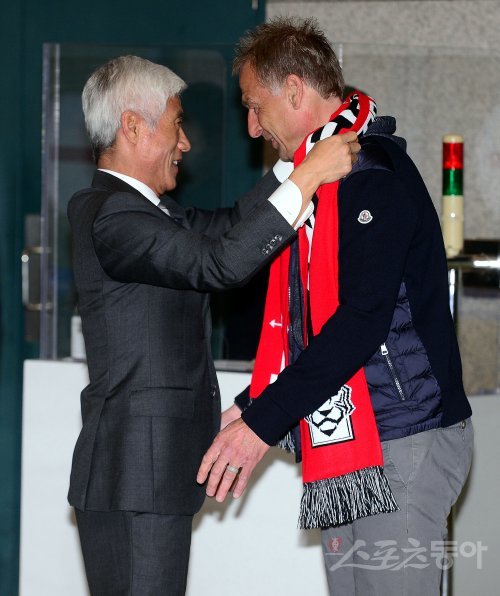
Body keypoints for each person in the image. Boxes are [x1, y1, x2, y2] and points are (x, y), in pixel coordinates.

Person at [197, 17, 473, 596]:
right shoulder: (322, 182)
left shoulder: (371, 175)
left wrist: (260, 426)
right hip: (358, 442)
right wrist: (252, 405)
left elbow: (359, 322)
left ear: (294, 90)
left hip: (403, 439)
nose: (251, 128)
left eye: (254, 106)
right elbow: (312, 330)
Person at [67, 54, 358, 595]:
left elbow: (228, 227)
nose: (186, 145)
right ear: (133, 126)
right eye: (177, 125)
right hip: (136, 476)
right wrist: (312, 173)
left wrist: (293, 162)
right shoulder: (110, 212)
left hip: (148, 477)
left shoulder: (149, 210)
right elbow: (219, 263)